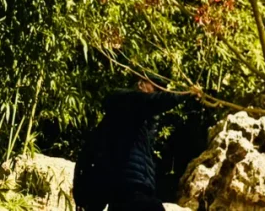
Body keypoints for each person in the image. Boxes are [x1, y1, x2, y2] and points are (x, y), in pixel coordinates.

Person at [73, 77, 197, 211]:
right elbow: (153, 102)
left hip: (127, 195)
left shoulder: (125, 123)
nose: (157, 93)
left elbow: (87, 158)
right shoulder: (125, 100)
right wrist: (186, 93)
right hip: (131, 193)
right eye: (155, 89)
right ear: (141, 84)